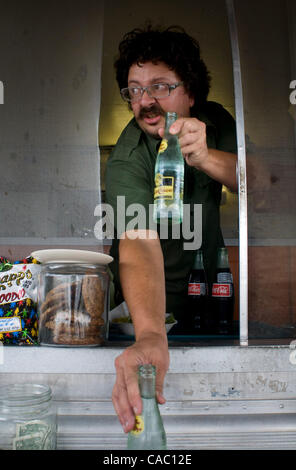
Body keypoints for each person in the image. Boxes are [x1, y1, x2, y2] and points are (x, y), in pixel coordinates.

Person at [105, 24, 238, 433]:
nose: (145, 101)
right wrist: (150, 335)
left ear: (191, 92)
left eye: (160, 86)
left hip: (208, 297)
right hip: (146, 311)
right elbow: (137, 241)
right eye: (134, 89)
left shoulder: (215, 122)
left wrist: (205, 158)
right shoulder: (130, 154)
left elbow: (269, 185)